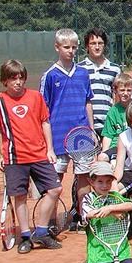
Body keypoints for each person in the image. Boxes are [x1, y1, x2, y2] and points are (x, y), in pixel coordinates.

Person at [0, 60, 63, 253]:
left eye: (21, 78)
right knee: (19, 197)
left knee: (55, 189)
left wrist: (50, 149)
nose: (18, 82)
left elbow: (45, 122)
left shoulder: (35, 97)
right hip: (14, 158)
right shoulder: (0, 102)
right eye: (13, 78)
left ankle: (41, 231)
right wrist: (0, 154)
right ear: (4, 81)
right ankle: (26, 236)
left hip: (39, 154)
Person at [40, 28, 94, 231]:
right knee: (55, 182)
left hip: (81, 136)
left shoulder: (82, 73)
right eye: (66, 47)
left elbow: (88, 102)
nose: (70, 51)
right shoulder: (49, 76)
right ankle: (52, 223)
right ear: (57, 47)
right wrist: (47, 145)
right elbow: (43, 111)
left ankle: (83, 218)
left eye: (73, 47)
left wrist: (90, 130)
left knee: (84, 178)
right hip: (57, 137)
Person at [82, 161, 132, 263]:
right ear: (91, 182)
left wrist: (110, 208)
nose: (105, 186)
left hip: (120, 246)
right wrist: (113, 213)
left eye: (108, 181)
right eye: (100, 182)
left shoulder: (115, 196)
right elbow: (90, 214)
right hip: (99, 248)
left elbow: (130, 205)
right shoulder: (88, 198)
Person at [77, 27, 121, 136]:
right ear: (87, 46)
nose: (97, 47)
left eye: (100, 43)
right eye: (93, 43)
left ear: (105, 45)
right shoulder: (78, 69)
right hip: (85, 124)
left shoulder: (115, 69)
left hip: (108, 124)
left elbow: (118, 96)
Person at [99, 74, 132, 164]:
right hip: (116, 146)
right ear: (115, 90)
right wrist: (104, 152)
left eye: (129, 90)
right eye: (122, 90)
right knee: (102, 158)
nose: (125, 93)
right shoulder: (113, 111)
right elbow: (108, 136)